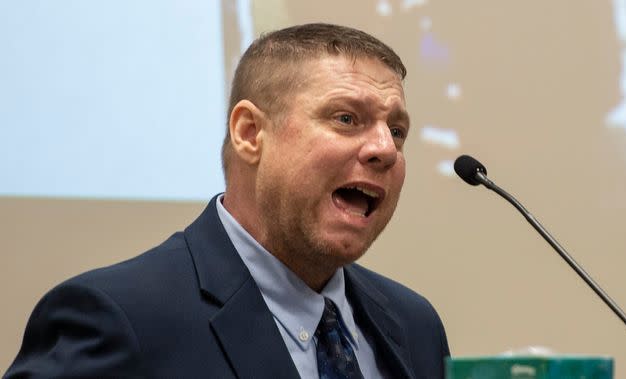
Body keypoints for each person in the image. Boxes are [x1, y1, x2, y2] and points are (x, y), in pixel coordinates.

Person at [4, 23, 449, 378]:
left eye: (397, 131)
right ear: (249, 133)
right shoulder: (118, 321)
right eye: (347, 118)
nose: (386, 149)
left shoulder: (415, 325)